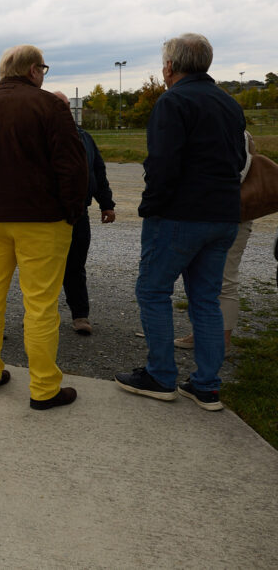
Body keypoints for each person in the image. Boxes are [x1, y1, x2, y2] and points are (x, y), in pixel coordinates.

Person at [0, 45, 87, 411]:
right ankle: (44, 388)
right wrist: (72, 211)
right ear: (33, 70)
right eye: (43, 69)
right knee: (40, 303)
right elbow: (72, 166)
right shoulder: (50, 106)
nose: (43, 75)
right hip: (43, 220)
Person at [115, 34, 245, 411]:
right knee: (206, 298)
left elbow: (163, 163)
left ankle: (160, 376)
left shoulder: (173, 100)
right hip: (224, 214)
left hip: (179, 215)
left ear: (170, 66)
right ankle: (207, 386)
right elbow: (239, 159)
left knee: (153, 291)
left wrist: (150, 207)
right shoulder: (229, 102)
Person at [174, 132, 254, 355]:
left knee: (225, 279)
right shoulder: (212, 128)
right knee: (200, 278)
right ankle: (202, 334)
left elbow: (237, 174)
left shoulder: (237, 133)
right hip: (209, 214)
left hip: (231, 215)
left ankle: (222, 341)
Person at [51, 91, 116, 336]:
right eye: (61, 106)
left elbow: (98, 171)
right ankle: (40, 317)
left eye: (68, 106)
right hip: (50, 216)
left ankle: (80, 315)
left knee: (75, 266)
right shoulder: (39, 137)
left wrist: (106, 204)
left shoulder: (84, 137)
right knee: (45, 269)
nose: (67, 110)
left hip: (79, 214)